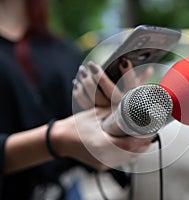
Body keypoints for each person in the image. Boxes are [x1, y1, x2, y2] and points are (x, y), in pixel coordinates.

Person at [0, 0, 153, 199]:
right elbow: (66, 133)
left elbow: (83, 137)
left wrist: (110, 122)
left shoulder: (62, 50)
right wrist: (55, 139)